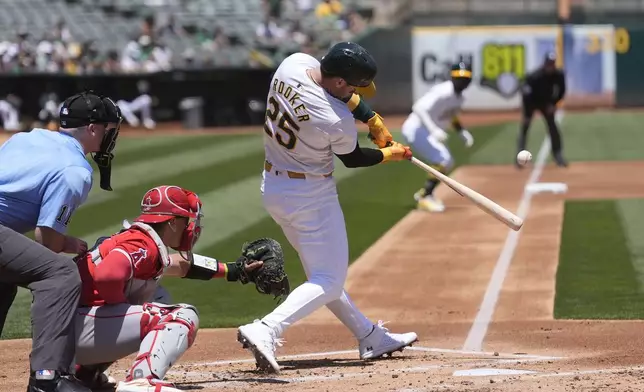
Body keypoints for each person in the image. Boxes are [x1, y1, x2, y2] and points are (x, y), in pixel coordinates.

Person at [236, 41, 418, 374]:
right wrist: (391, 154)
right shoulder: (334, 120)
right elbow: (354, 158)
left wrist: (370, 117)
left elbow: (339, 93)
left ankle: (369, 336)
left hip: (274, 186)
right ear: (337, 81)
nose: (353, 90)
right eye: (350, 85)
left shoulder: (292, 63)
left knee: (322, 274)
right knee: (329, 279)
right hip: (309, 195)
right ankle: (266, 328)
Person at [72, 185, 268, 392]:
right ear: (173, 222)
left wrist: (233, 270)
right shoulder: (140, 243)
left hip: (69, 331)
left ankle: (83, 374)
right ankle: (143, 380)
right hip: (77, 330)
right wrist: (122, 310)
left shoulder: (142, 241)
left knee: (157, 296)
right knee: (180, 315)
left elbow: (180, 265)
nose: (190, 227)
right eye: (186, 221)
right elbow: (108, 276)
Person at [0, 91, 122, 392]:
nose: (110, 136)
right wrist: (68, 243)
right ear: (93, 128)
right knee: (60, 275)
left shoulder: (26, 138)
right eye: (108, 129)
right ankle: (48, 379)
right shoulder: (75, 170)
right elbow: (47, 239)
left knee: (5, 277)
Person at [401, 61, 475, 212]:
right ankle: (424, 197)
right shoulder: (443, 91)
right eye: (459, 78)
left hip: (426, 131)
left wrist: (461, 132)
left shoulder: (459, 98)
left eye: (465, 79)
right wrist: (433, 129)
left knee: (447, 162)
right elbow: (418, 107)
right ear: (452, 78)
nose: (461, 81)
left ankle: (425, 193)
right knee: (443, 160)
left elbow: (451, 115)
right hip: (416, 129)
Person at [517, 51, 567, 168]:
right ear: (544, 64)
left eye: (552, 64)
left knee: (553, 128)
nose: (551, 66)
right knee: (525, 127)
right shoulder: (534, 77)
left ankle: (558, 155)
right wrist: (526, 113)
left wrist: (554, 105)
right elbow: (525, 94)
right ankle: (519, 157)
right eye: (549, 64)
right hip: (531, 103)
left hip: (547, 103)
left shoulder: (558, 75)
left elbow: (562, 91)